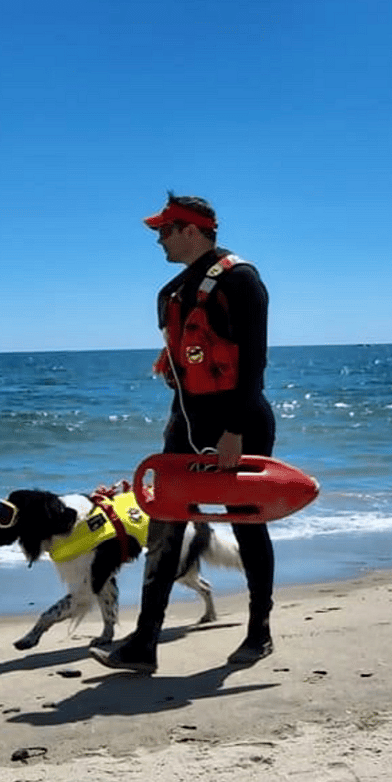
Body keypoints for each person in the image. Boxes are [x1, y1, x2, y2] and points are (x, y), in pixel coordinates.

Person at [90, 193, 276, 674]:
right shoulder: (171, 293)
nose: (157, 240)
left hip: (242, 423)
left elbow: (254, 364)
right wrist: (179, 431)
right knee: (163, 527)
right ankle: (145, 642)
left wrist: (234, 431)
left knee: (246, 525)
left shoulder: (241, 280)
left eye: (164, 230)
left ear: (191, 230)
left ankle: (259, 631)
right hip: (187, 427)